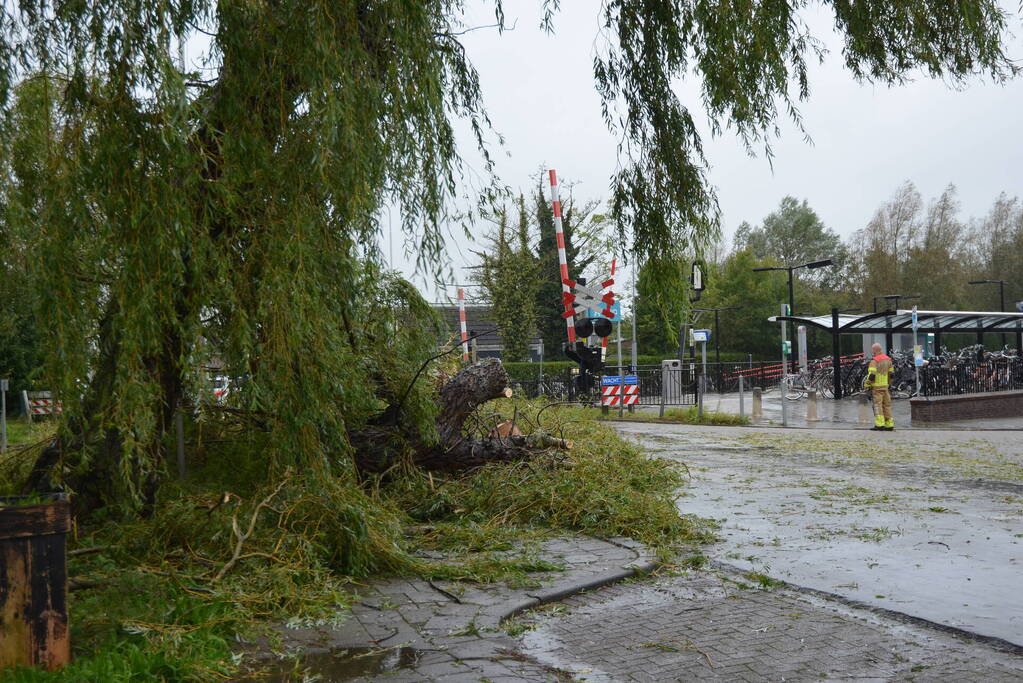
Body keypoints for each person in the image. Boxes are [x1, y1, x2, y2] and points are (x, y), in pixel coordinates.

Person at [863, 342, 894, 431]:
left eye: (872, 350)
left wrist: (866, 384)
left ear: (874, 350)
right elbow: (891, 374)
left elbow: (872, 375)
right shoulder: (888, 360)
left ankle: (879, 424)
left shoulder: (874, 361)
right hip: (885, 387)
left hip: (877, 388)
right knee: (887, 405)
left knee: (878, 406)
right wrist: (889, 384)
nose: (872, 352)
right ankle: (889, 424)